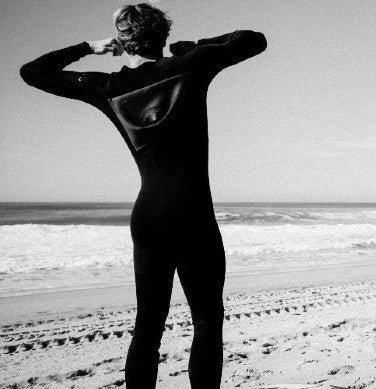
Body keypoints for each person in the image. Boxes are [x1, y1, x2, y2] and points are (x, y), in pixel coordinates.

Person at [20, 3, 266, 388]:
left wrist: (88, 46)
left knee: (147, 328)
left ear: (122, 40)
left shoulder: (106, 88)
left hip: (148, 218)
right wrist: (192, 46)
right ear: (162, 36)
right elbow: (253, 40)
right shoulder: (192, 64)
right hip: (192, 213)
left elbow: (32, 72)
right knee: (206, 321)